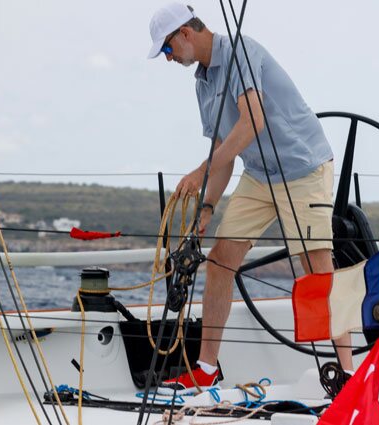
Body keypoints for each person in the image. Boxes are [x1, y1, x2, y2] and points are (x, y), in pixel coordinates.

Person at [147, 3, 352, 390]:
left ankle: (348, 372)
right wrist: (208, 205)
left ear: (185, 34)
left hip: (304, 169)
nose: (168, 58)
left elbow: (253, 121)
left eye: (167, 49)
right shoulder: (202, 82)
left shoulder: (240, 50)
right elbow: (224, 148)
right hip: (259, 176)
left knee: (317, 267)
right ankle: (206, 370)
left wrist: (199, 172)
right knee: (220, 260)